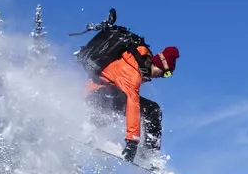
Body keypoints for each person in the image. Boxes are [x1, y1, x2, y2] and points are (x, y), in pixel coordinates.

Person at [76, 10, 179, 162]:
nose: (163, 76)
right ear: (159, 64)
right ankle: (86, 127)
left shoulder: (142, 61)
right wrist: (132, 141)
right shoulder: (133, 70)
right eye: (165, 73)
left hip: (107, 95)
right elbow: (133, 104)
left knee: (152, 109)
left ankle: (150, 154)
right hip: (97, 95)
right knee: (120, 99)